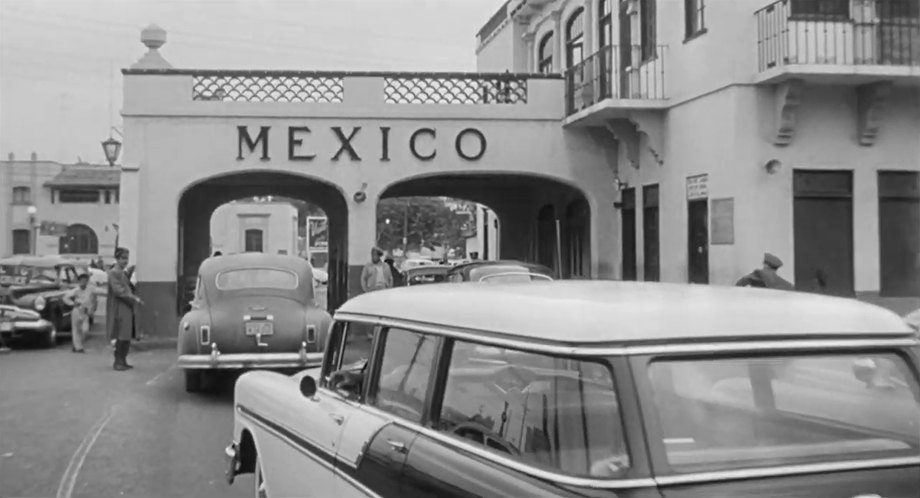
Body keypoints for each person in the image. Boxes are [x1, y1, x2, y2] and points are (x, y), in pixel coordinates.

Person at [107, 247, 143, 371]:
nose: (125, 261)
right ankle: (118, 362)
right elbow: (119, 291)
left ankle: (123, 360)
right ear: (117, 258)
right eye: (122, 258)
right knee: (122, 335)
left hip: (127, 308)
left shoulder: (122, 272)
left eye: (126, 258)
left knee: (126, 335)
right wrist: (134, 298)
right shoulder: (114, 272)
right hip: (120, 308)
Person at [63, 272, 97, 353]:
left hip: (85, 311)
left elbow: (95, 299)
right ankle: (78, 347)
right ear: (79, 281)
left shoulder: (91, 290)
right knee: (76, 329)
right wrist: (72, 303)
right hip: (77, 310)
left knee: (85, 330)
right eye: (82, 280)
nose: (83, 282)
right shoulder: (75, 290)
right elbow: (65, 298)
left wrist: (92, 309)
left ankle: (77, 344)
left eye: (85, 280)